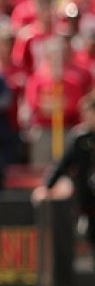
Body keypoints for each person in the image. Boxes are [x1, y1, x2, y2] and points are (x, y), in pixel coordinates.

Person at [33, 92, 95, 250]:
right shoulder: (80, 138)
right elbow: (61, 165)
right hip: (88, 200)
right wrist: (46, 186)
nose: (87, 118)